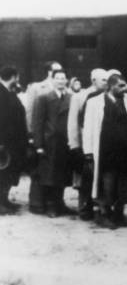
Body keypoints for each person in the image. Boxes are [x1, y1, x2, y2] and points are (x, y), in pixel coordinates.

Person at [82, 74, 127, 229]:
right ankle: (104, 214)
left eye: (125, 85)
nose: (124, 88)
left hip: (126, 151)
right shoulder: (94, 102)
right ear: (110, 86)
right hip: (105, 152)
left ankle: (119, 214)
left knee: (124, 183)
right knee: (106, 183)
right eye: (120, 86)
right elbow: (88, 128)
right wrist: (88, 152)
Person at [29, 69, 74, 217]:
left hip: (64, 143)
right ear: (53, 80)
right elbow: (38, 123)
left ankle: (59, 203)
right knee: (49, 176)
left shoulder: (71, 98)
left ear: (66, 81)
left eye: (63, 78)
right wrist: (39, 145)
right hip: (50, 143)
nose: (61, 81)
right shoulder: (44, 97)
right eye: (58, 78)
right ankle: (50, 206)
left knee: (62, 175)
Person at [67, 68, 108, 221]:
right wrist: (74, 145)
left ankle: (102, 207)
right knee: (84, 178)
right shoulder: (80, 97)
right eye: (103, 80)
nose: (106, 82)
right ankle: (84, 208)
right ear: (93, 81)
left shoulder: (107, 96)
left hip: (101, 144)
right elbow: (73, 123)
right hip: (84, 144)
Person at [0, 66, 28, 214]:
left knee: (8, 172)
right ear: (13, 77)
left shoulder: (9, 92)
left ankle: (4, 200)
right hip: (4, 143)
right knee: (2, 173)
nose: (18, 80)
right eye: (17, 77)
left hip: (12, 142)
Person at [25, 61, 63, 133]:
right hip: (43, 132)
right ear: (49, 72)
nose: (60, 73)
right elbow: (30, 111)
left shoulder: (64, 89)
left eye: (61, 71)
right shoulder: (36, 88)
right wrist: (31, 131)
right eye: (57, 71)